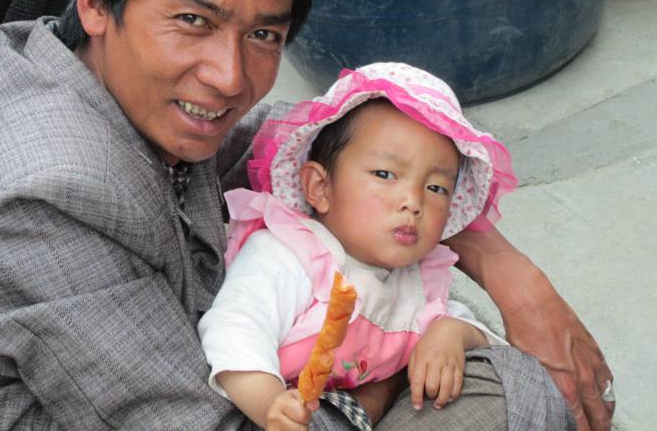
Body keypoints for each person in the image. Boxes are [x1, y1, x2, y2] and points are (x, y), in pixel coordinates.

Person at [0, 0, 614, 431]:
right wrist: (379, 385)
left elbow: (307, 140)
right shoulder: (44, 200)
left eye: (264, 33)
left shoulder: (85, 69)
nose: (230, 76)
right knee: (504, 392)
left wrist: (500, 261)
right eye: (193, 21)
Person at [198, 62, 574, 430]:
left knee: (514, 382)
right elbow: (235, 328)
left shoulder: (415, 282)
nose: (413, 201)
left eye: (436, 187)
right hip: (267, 412)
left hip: (360, 414)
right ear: (320, 187)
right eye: (385, 174)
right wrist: (267, 403)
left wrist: (452, 334)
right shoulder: (289, 255)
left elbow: (476, 334)